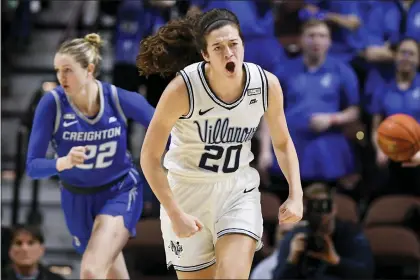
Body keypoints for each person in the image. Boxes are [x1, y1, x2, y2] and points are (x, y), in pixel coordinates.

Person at [137, 8, 303, 279]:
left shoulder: (265, 85)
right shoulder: (183, 90)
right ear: (205, 55)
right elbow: (149, 157)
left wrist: (296, 194)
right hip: (187, 194)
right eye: (218, 47)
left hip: (237, 190)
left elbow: (282, 143)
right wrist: (174, 212)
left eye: (234, 44)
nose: (229, 53)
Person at [26, 33, 155, 279]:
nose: (61, 78)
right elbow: (32, 166)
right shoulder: (51, 104)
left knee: (91, 271)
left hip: (119, 190)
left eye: (68, 70)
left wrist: (169, 163)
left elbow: (164, 125)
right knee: (111, 273)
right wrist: (62, 162)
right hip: (77, 199)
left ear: (90, 70)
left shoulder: (117, 98)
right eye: (57, 70)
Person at [272, 183, 374, 280]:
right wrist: (292, 260)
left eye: (324, 206)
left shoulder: (351, 234)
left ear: (333, 208)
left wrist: (336, 261)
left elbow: (367, 273)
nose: (320, 214)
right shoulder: (296, 237)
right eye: (314, 208)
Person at [371, 37, 420, 196]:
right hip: (391, 155)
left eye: (411, 53)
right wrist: (379, 150)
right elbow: (375, 127)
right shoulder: (382, 89)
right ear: (395, 56)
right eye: (403, 52)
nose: (406, 57)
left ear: (418, 59)